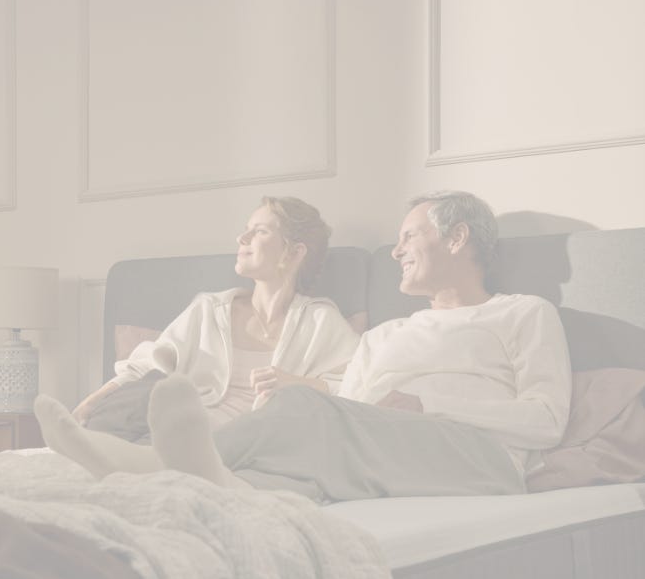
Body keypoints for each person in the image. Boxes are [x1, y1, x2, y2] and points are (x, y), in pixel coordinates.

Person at [35, 191, 573, 502]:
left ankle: (146, 464)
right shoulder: (385, 335)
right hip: (379, 454)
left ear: (456, 238)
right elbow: (345, 417)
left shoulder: (523, 313)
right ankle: (173, 479)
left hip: (477, 460)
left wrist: (425, 405)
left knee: (300, 408)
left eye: (410, 236)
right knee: (274, 480)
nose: (396, 251)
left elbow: (547, 419)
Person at [72, 196, 360, 434]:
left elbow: (359, 387)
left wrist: (297, 383)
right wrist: (88, 406)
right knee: (153, 392)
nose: (241, 237)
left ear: (295, 253)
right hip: (184, 427)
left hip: (258, 442)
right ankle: (95, 440)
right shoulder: (210, 310)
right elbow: (145, 365)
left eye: (260, 231)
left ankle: (112, 451)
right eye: (247, 228)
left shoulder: (320, 322)